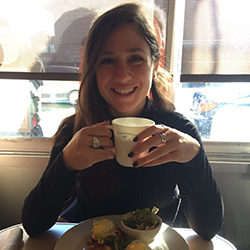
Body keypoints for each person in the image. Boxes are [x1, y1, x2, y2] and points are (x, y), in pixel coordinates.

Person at [22, 3, 224, 240]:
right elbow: (33, 225)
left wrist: (195, 157)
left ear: (154, 63)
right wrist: (65, 163)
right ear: (93, 68)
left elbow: (209, 230)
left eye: (135, 58)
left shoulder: (177, 132)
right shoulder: (77, 131)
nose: (122, 75)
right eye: (107, 61)